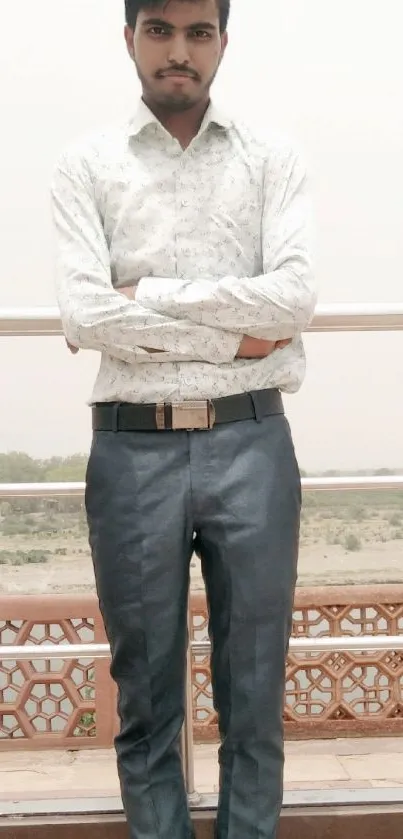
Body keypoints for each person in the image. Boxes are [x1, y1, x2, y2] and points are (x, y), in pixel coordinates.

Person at [51, 1, 316, 837]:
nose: (178, 51)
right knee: (147, 698)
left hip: (253, 441)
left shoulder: (272, 159)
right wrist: (238, 332)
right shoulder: (84, 165)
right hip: (133, 451)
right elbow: (87, 317)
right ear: (128, 37)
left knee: (254, 694)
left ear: (222, 44)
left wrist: (152, 297)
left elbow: (293, 298)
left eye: (198, 33)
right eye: (159, 29)